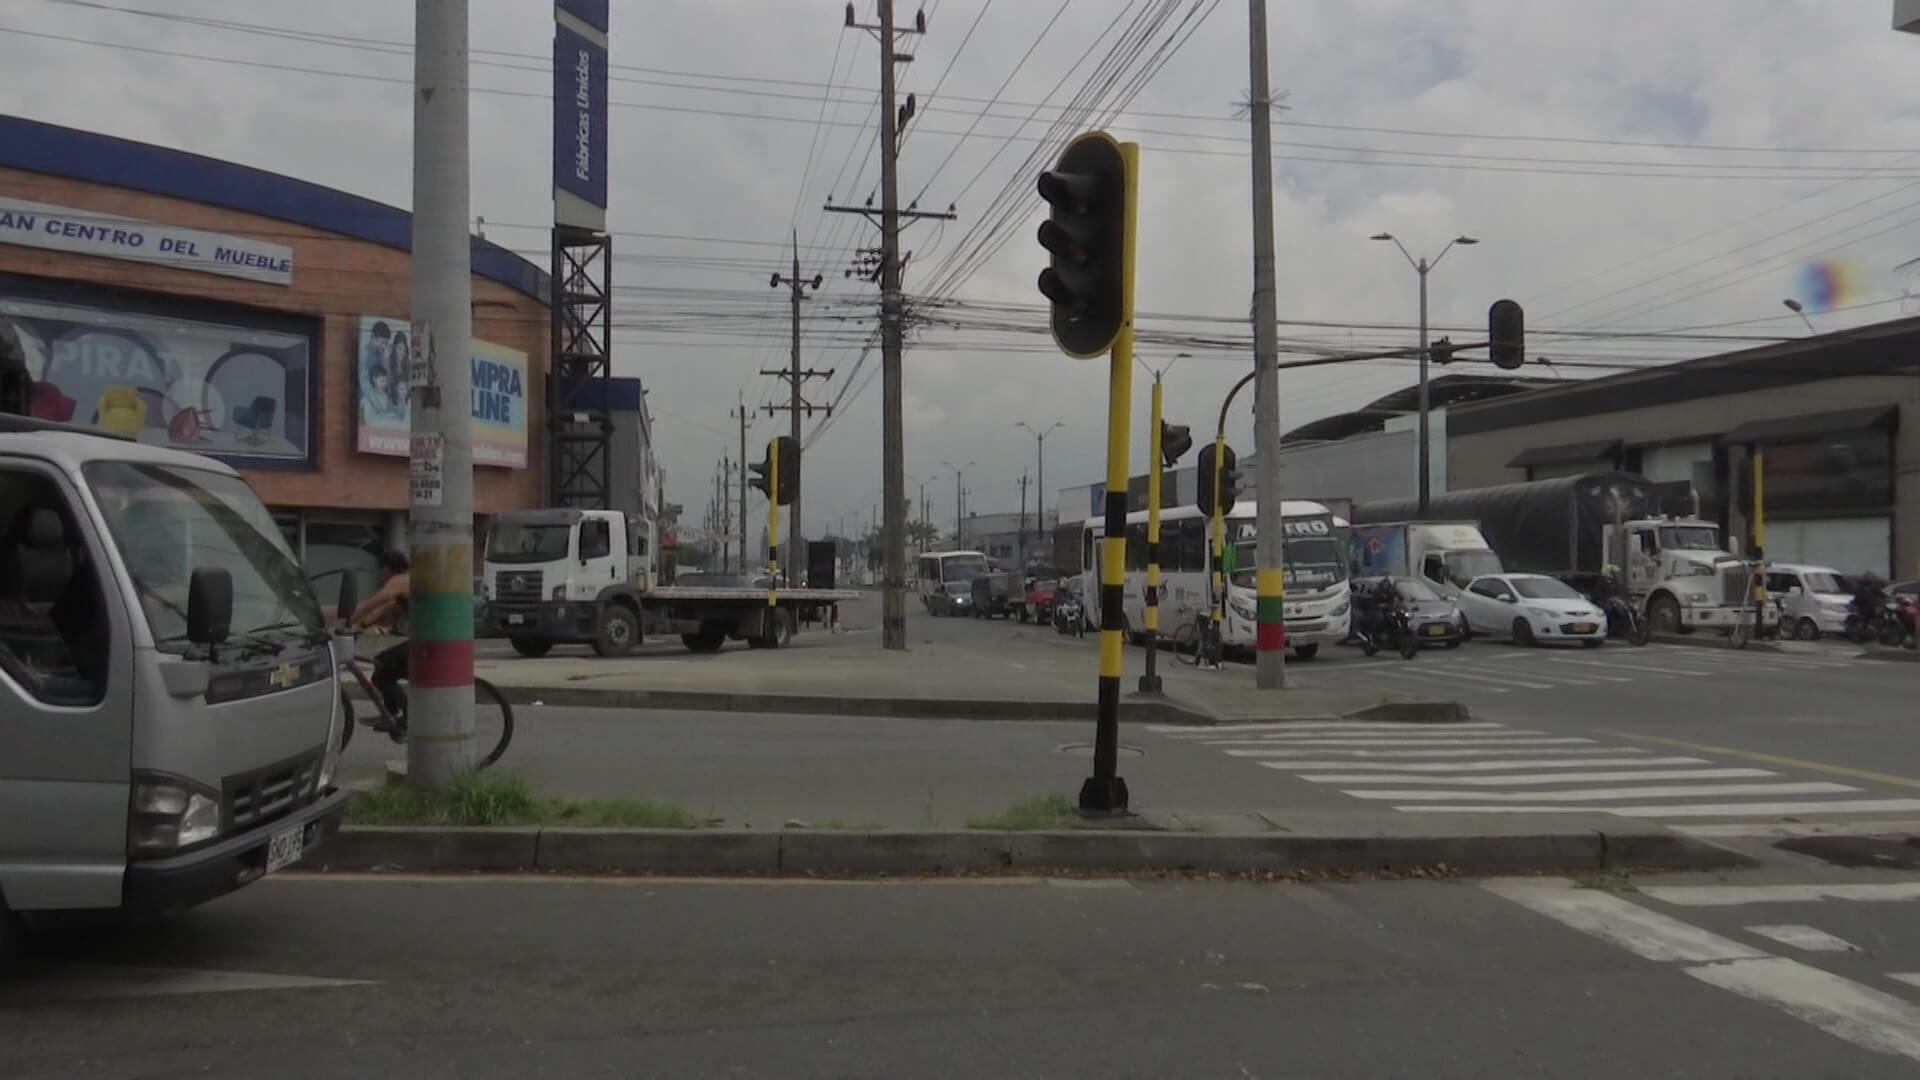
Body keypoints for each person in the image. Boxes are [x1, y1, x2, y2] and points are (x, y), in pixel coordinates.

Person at [349, 549, 411, 728]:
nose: (381, 574)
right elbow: (386, 610)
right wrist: (360, 626)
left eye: (382, 569)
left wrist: (346, 621)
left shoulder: (400, 581)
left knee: (383, 665)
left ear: (389, 568)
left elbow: (371, 605)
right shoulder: (407, 582)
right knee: (386, 666)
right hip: (428, 642)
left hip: (428, 643)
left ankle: (402, 715)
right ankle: (395, 715)